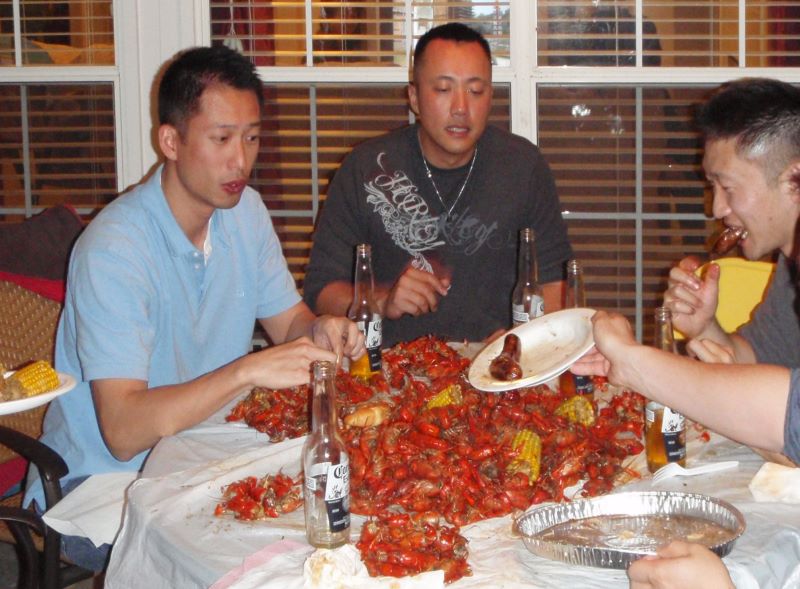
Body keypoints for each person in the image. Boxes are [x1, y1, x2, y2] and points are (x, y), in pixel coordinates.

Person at [23, 45, 364, 571]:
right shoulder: (115, 249)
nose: (241, 161)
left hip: (199, 458)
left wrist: (320, 329)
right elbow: (123, 431)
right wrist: (246, 370)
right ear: (171, 141)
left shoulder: (244, 212)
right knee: (269, 557)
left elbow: (288, 321)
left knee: (340, 513)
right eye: (222, 139)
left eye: (251, 138)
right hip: (100, 484)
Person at [572, 77, 800, 588]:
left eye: (727, 187)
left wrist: (635, 364)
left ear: (794, 180)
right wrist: (704, 330)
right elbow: (752, 366)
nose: (716, 208)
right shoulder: (791, 267)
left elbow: (788, 415)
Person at [302, 22, 573, 346]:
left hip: (500, 371)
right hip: (390, 372)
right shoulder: (365, 168)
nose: (461, 108)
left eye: (475, 91)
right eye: (443, 89)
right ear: (414, 97)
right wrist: (383, 300)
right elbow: (321, 290)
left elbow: (556, 284)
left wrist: (526, 340)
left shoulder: (523, 167)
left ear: (491, 97)